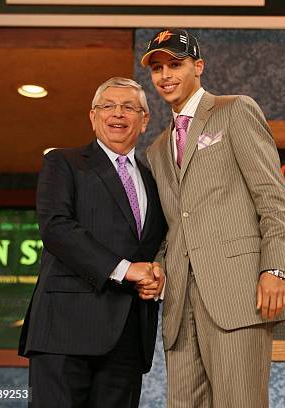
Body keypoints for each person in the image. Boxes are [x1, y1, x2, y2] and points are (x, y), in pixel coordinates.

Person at [141, 29, 285, 407]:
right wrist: (158, 268)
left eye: (175, 64)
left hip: (236, 293)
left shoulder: (235, 109)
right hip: (180, 303)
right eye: (157, 68)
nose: (166, 75)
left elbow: (272, 198)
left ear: (198, 66)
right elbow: (175, 225)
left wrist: (275, 269)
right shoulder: (158, 148)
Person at [18, 77, 167, 408]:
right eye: (108, 105)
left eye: (129, 107)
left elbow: (159, 245)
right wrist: (128, 271)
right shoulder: (63, 163)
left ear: (144, 120)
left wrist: (159, 276)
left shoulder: (155, 180)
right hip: (64, 334)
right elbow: (57, 228)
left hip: (128, 339)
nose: (118, 113)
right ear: (92, 116)